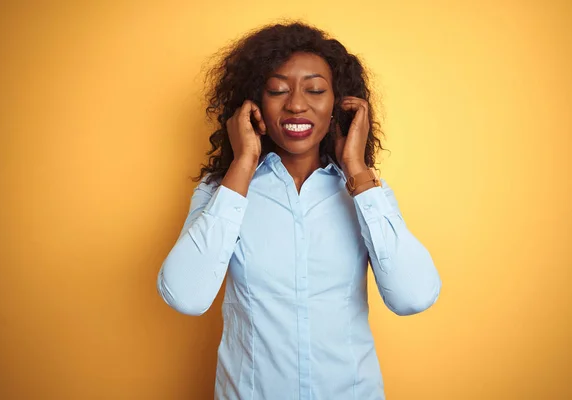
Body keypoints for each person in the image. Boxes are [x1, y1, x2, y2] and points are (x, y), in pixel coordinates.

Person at [157, 21, 441, 400]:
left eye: (315, 89)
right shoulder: (220, 192)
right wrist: (243, 164)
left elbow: (414, 296)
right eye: (277, 89)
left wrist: (357, 170)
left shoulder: (366, 194)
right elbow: (186, 296)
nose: (295, 103)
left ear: (338, 104)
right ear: (253, 103)